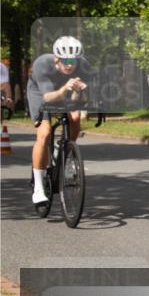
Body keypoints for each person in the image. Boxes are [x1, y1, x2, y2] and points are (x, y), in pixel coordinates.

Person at [26, 36, 93, 204]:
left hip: (64, 88)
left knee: (76, 116)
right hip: (41, 93)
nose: (70, 64)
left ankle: (65, 150)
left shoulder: (83, 67)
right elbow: (48, 97)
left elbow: (81, 100)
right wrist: (65, 88)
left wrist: (82, 91)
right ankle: (39, 188)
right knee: (44, 133)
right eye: (65, 60)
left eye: (74, 60)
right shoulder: (42, 64)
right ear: (57, 58)